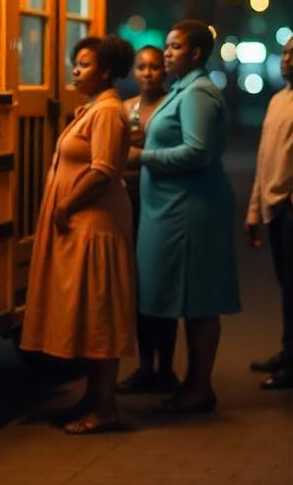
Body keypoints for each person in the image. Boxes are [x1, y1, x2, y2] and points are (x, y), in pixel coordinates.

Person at [21, 34, 136, 434]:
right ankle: (93, 398)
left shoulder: (107, 112)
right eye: (77, 62)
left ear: (105, 71)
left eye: (84, 64)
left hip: (95, 226)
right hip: (83, 227)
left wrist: (66, 204)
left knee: (99, 314)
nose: (75, 70)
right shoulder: (93, 109)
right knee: (88, 313)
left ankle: (105, 408)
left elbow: (103, 170)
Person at [129, 20, 240, 414]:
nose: (167, 52)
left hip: (191, 212)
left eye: (175, 47)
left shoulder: (199, 94)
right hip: (173, 208)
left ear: (195, 53)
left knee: (200, 301)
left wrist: (142, 157)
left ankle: (200, 386)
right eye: (167, 45)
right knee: (185, 298)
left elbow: (197, 152)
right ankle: (191, 383)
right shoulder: (181, 90)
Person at [117, 45, 179, 395]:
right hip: (130, 198)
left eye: (155, 66)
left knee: (161, 287)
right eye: (141, 67)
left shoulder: (171, 106)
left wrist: (144, 153)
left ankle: (167, 367)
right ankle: (145, 366)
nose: (148, 73)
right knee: (138, 289)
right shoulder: (125, 109)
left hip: (161, 199)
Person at [244, 33, 293, 390]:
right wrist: (254, 211)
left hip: (288, 206)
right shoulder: (278, 100)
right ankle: (287, 351)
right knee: (285, 284)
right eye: (286, 52)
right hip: (275, 208)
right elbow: (264, 159)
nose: (286, 58)